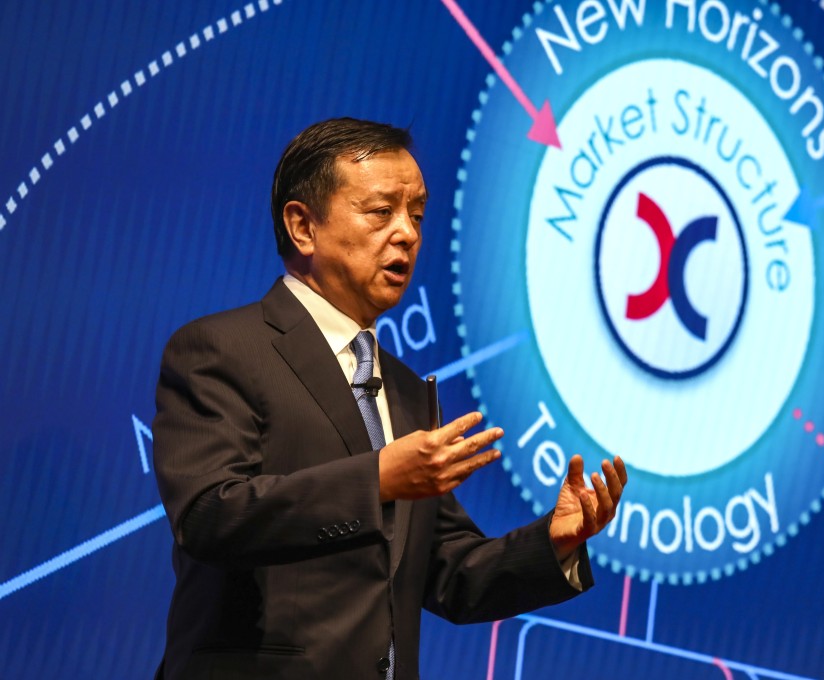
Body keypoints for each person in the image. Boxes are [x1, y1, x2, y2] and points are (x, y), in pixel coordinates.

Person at [152, 117, 627, 679]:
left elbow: (449, 572)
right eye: (381, 212)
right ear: (302, 226)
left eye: (417, 215)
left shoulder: (402, 389)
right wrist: (375, 479)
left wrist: (553, 542)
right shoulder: (220, 350)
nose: (407, 233)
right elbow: (211, 516)